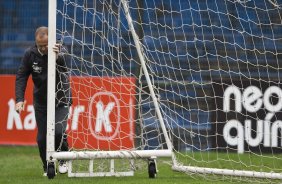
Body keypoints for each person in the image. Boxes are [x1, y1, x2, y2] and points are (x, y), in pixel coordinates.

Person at [15, 26, 72, 176]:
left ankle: (64, 159)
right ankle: (47, 166)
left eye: (46, 44)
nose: (44, 48)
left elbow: (65, 66)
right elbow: (21, 76)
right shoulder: (30, 54)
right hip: (41, 101)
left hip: (61, 98)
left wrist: (58, 55)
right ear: (36, 42)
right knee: (42, 138)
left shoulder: (60, 49)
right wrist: (20, 99)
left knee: (59, 132)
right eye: (40, 46)